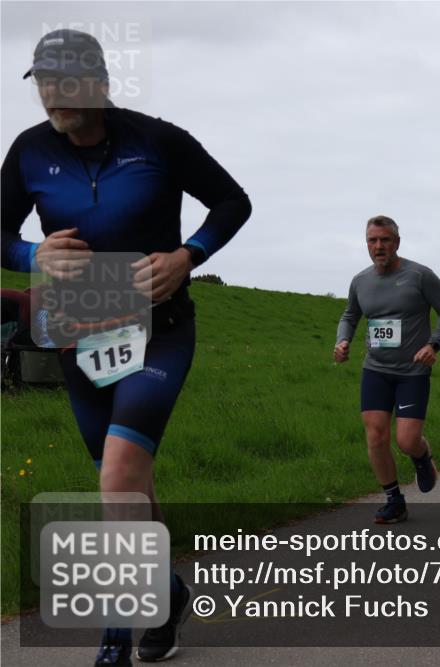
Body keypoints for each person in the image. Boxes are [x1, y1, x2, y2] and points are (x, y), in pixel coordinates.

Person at [1, 30, 252, 666]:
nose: (52, 94)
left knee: (117, 475)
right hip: (77, 333)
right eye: (42, 82)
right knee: (126, 483)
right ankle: (168, 593)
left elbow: (233, 201)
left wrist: (188, 255)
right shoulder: (28, 150)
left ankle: (117, 628)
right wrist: (32, 254)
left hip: (157, 330)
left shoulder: (158, 140)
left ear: (100, 82)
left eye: (64, 79)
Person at [334, 216, 440, 524]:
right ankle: (394, 501)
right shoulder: (360, 281)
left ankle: (421, 456)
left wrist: (434, 344)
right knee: (375, 436)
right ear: (367, 244)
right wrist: (342, 340)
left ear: (397, 243)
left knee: (406, 441)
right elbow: (350, 315)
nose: (379, 246)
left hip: (413, 371)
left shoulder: (419, 275)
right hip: (375, 369)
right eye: (372, 240)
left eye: (385, 240)